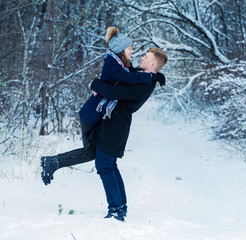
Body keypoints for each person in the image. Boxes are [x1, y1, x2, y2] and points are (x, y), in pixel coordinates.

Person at [41, 46, 168, 221]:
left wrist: (95, 84)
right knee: (104, 162)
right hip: (109, 123)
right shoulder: (141, 76)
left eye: (146, 57)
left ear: (153, 63)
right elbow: (119, 73)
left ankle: (116, 209)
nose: (142, 58)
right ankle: (120, 207)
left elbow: (115, 92)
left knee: (105, 165)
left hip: (115, 128)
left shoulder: (145, 84)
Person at [41, 26, 164, 185]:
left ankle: (52, 162)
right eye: (129, 48)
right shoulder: (113, 65)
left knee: (90, 153)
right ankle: (52, 162)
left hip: (95, 114)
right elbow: (130, 79)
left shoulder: (120, 64)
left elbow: (132, 74)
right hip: (91, 114)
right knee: (90, 152)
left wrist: (156, 76)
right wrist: (149, 78)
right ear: (121, 50)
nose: (133, 51)